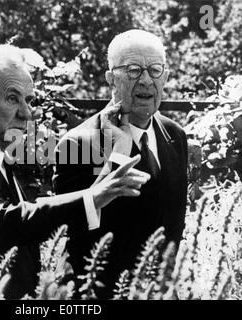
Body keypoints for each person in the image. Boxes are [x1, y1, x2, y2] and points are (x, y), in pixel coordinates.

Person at [0, 44, 150, 299]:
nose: (27, 113)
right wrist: (93, 197)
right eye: (13, 98)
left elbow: (26, 228)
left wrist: (112, 166)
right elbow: (3, 224)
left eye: (30, 100)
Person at [53, 30, 188, 298]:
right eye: (134, 70)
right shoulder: (78, 144)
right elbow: (74, 229)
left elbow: (174, 223)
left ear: (167, 77)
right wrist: (114, 163)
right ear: (111, 79)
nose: (147, 80)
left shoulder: (175, 135)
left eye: (155, 70)